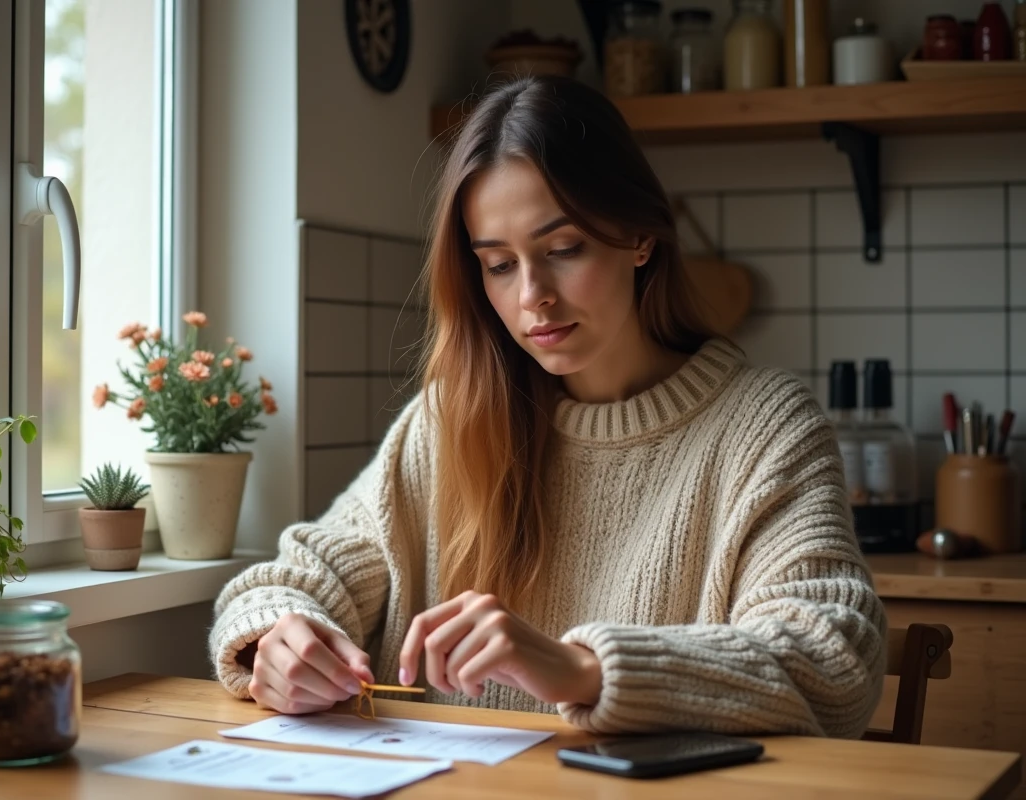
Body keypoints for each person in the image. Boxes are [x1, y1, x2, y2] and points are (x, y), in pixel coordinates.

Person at [208, 75, 885, 737]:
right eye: (499, 264)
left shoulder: (765, 428)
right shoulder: (453, 417)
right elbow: (300, 576)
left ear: (641, 236)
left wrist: (583, 669)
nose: (533, 295)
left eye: (563, 248)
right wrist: (279, 639)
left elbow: (832, 663)